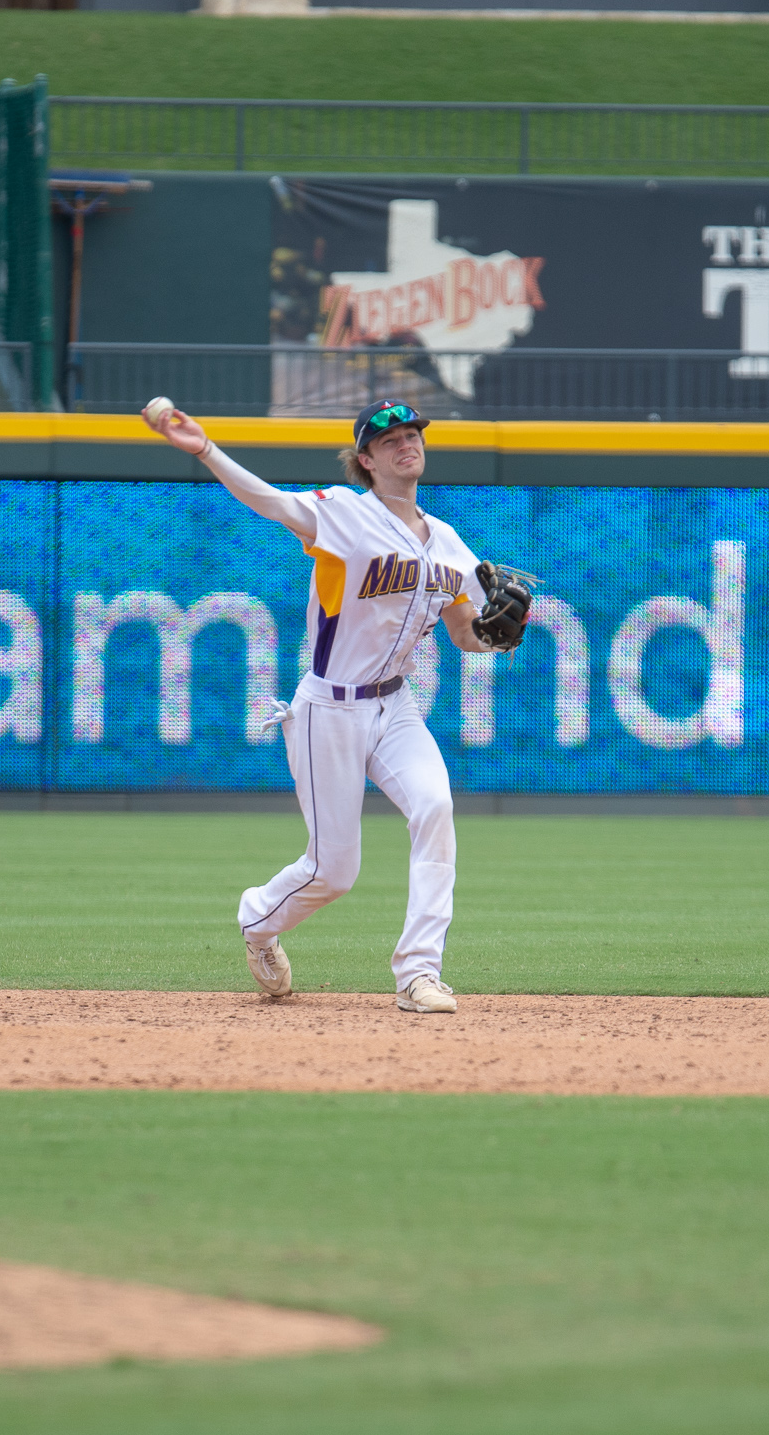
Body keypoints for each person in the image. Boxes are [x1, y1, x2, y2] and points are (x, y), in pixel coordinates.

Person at [141, 397, 509, 1014]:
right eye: (389, 440)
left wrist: (495, 636)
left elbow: (466, 631)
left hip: (396, 706)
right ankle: (258, 921)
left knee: (436, 807)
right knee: (334, 871)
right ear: (366, 459)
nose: (406, 444)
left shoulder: (449, 543)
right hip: (328, 709)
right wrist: (205, 450)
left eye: (413, 434)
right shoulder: (342, 513)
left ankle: (419, 973)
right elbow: (269, 501)